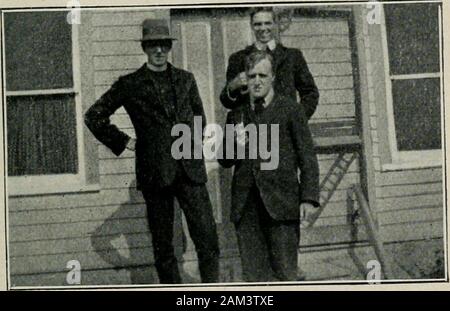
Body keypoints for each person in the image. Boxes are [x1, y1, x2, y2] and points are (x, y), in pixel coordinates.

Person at [84, 19, 219, 284]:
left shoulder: (186, 79)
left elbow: (199, 119)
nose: (159, 50)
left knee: (208, 239)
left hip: (190, 170)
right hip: (155, 175)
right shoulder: (130, 83)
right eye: (152, 45)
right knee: (163, 246)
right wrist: (125, 141)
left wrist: (189, 144)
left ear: (169, 47)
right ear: (145, 48)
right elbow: (94, 116)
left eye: (163, 44)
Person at [218, 50, 320, 282]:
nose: (257, 81)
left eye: (262, 76)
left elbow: (307, 157)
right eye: (252, 76)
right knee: (254, 278)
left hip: (282, 205)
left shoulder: (291, 109)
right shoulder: (237, 113)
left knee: (285, 274)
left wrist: (308, 198)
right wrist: (237, 140)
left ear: (273, 77)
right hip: (247, 208)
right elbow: (225, 160)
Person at [220, 7, 319, 120]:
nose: (263, 28)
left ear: (275, 24)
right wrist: (233, 85)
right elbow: (226, 102)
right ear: (251, 25)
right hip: (251, 131)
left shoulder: (292, 57)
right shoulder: (238, 58)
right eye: (258, 24)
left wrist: (296, 120)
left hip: (283, 132)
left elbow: (310, 93)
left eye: (267, 23)